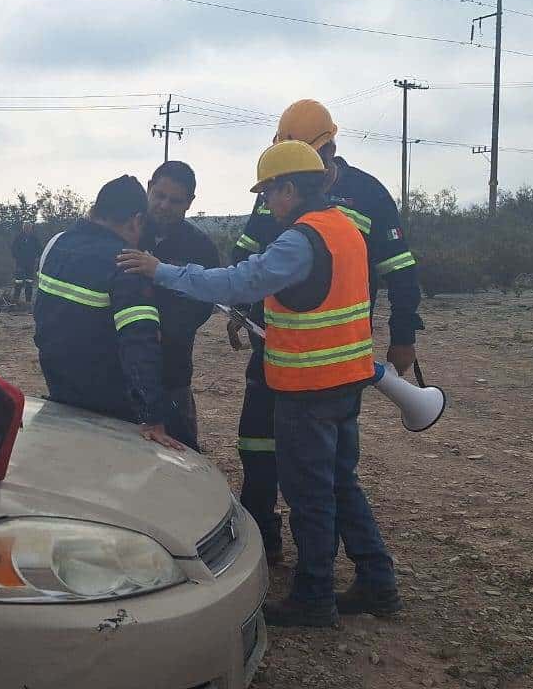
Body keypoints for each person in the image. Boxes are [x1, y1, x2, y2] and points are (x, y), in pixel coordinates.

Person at [119, 141, 400, 627]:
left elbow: (236, 283)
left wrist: (159, 271)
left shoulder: (300, 239)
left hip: (307, 386)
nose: (266, 202)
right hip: (345, 383)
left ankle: (314, 597)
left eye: (269, 191)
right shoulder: (345, 230)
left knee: (310, 495)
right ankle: (378, 581)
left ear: (290, 188)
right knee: (341, 483)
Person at [231, 99, 425, 565]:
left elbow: (400, 270)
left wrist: (402, 335)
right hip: (274, 341)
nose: (278, 192)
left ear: (330, 149)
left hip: (331, 353)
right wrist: (238, 310)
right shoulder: (277, 192)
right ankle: (265, 539)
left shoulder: (369, 195)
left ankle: (318, 584)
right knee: (257, 440)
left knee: (322, 474)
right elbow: (247, 258)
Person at [33, 175, 186, 452]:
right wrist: (152, 417)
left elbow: (42, 314)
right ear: (136, 220)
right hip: (111, 404)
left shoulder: (55, 245)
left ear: (95, 211)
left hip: (61, 391)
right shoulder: (127, 263)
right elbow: (140, 345)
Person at [143, 160, 221, 452]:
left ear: (189, 203)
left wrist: (165, 331)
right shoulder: (127, 232)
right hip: (120, 368)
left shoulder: (200, 248)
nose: (164, 205)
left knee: (183, 452)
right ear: (148, 188)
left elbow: (203, 304)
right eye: (159, 195)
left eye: (175, 201)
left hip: (172, 371)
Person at [10, 222, 43, 303]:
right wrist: (18, 258)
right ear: (23, 228)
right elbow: (13, 250)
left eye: (29, 227)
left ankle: (28, 302)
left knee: (29, 283)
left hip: (30, 265)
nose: (27, 229)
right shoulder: (18, 238)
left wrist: (36, 258)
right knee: (18, 283)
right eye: (26, 227)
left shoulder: (34, 239)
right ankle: (15, 302)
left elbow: (40, 250)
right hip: (20, 264)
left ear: (31, 228)